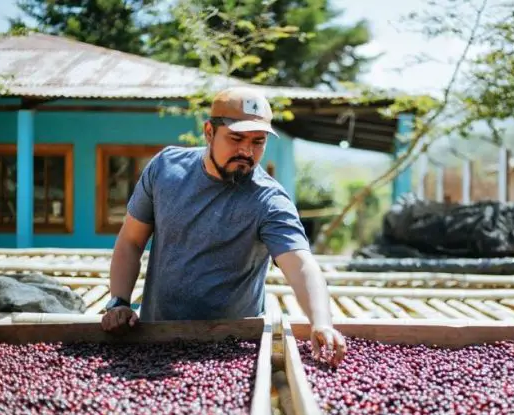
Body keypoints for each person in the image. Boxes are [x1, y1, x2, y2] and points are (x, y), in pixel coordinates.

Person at [100, 86, 346, 366]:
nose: (246, 150)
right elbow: (131, 241)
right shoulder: (165, 170)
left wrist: (322, 322)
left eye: (258, 142)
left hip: (232, 349)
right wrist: (119, 302)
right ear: (209, 132)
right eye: (236, 138)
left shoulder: (268, 201)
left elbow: (300, 264)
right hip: (157, 336)